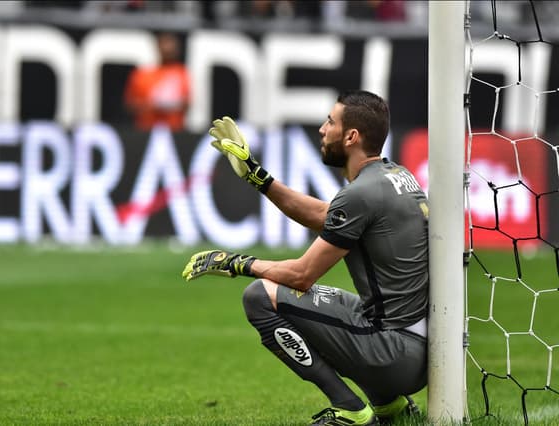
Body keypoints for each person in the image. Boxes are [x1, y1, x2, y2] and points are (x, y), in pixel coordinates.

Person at [182, 90, 429, 426]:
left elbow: (302, 275)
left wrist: (235, 262)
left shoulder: (360, 194)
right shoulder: (395, 177)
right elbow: (325, 214)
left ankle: (351, 409)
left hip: (394, 355)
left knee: (260, 296)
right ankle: (390, 406)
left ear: (351, 136)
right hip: (421, 351)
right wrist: (256, 175)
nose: (322, 130)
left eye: (330, 122)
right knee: (349, 307)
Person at [123, 32, 190, 132]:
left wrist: (168, 105)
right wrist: (151, 105)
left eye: (170, 44)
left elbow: (186, 103)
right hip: (146, 130)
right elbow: (130, 104)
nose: (168, 48)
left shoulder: (181, 73)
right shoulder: (142, 74)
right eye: (164, 43)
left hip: (174, 131)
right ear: (158, 46)